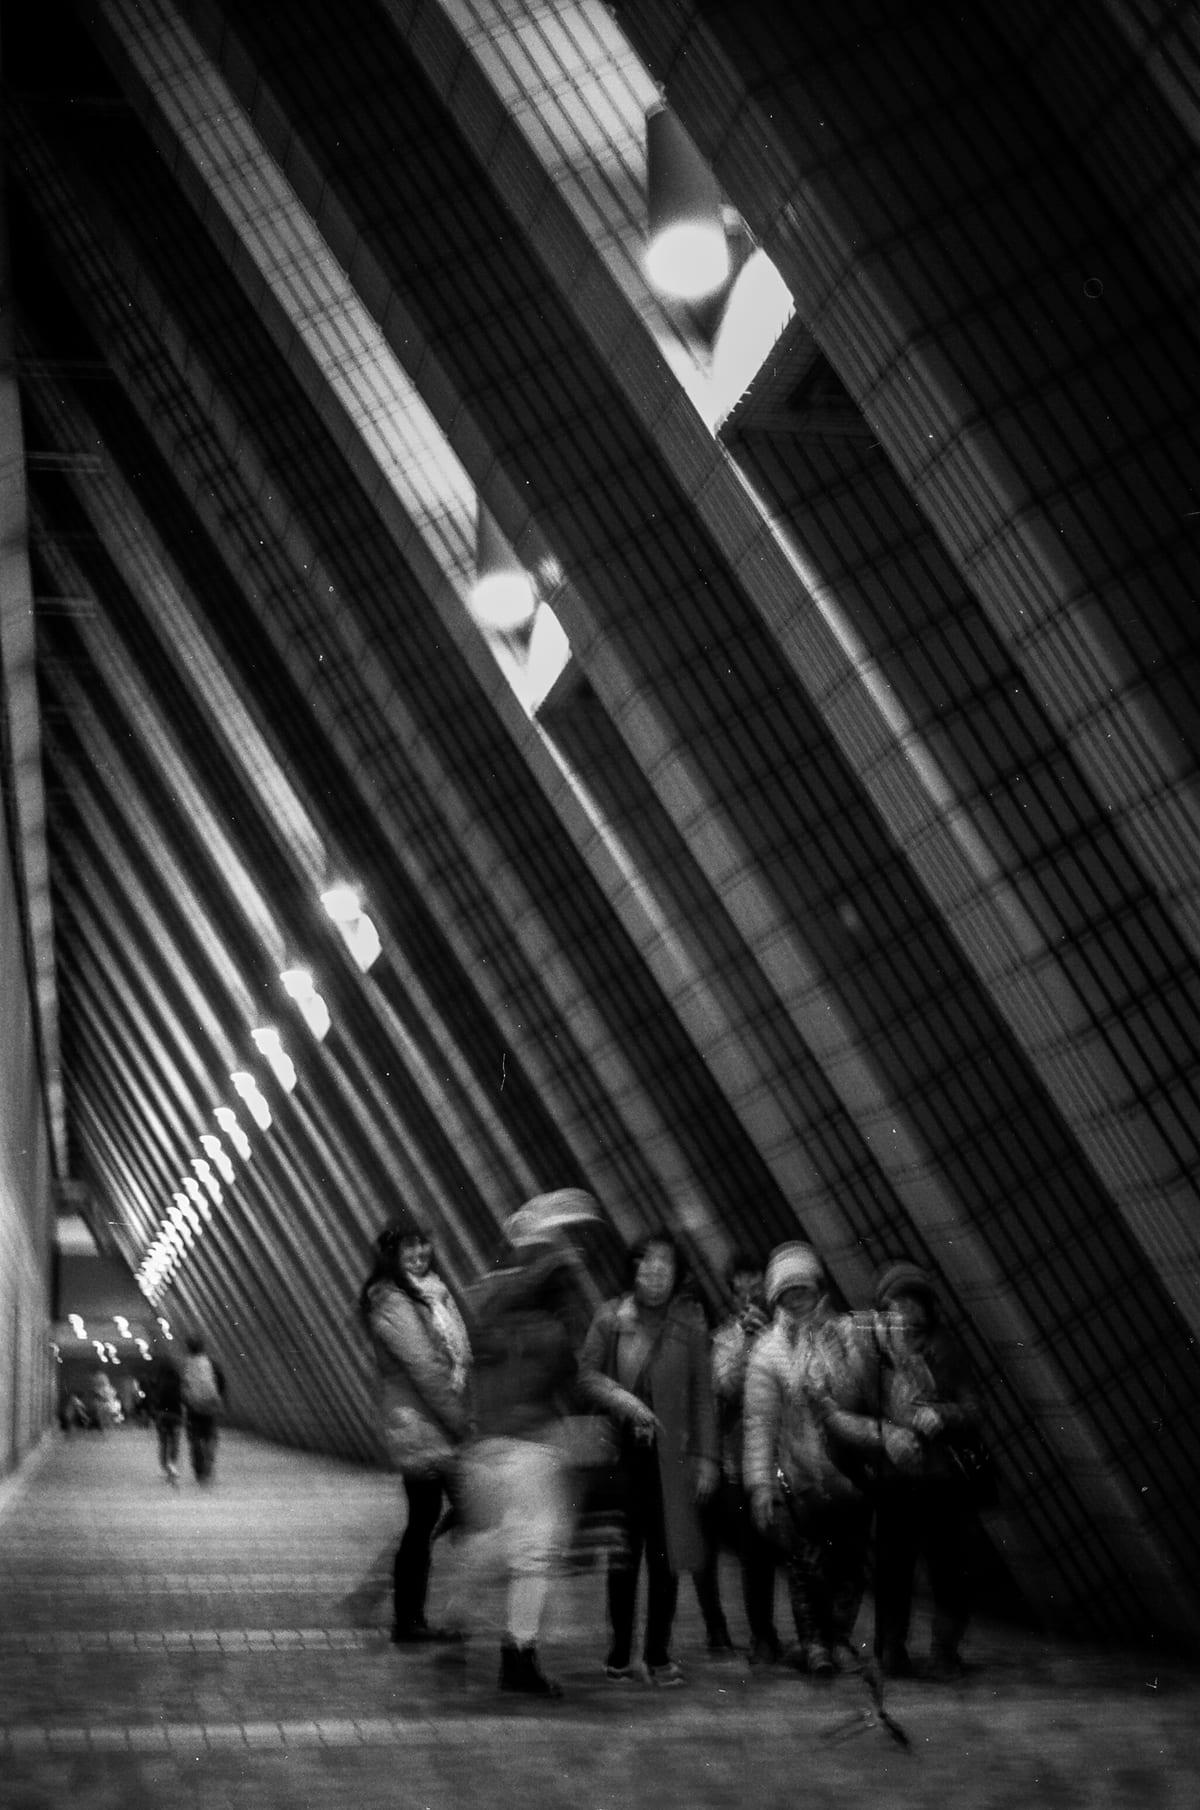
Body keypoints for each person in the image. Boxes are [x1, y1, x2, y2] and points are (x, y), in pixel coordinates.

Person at [455, 1188, 601, 1699]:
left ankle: (469, 1601)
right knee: (535, 1555)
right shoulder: (550, 1327)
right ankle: (516, 1656)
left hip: (487, 1446)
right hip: (531, 1446)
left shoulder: (486, 1303)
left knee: (513, 1546)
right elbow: (569, 1376)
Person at [744, 1242, 893, 1679]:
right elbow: (759, 1425)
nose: (797, 1298)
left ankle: (840, 1639)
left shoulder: (845, 1334)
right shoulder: (768, 1352)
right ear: (776, 1297)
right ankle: (814, 1644)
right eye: (787, 1292)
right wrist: (760, 1487)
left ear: (818, 1287)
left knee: (850, 1562)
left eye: (803, 1288)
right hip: (800, 1476)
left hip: (850, 1474)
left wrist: (837, 1352)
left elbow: (864, 1391)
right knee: (806, 1564)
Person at [579, 1228, 718, 1687]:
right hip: (623, 1458)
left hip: (672, 1461)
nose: (656, 1273)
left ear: (677, 1275)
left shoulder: (690, 1325)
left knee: (665, 1559)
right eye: (648, 1263)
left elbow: (704, 1397)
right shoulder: (610, 1320)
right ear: (633, 1269)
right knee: (623, 1559)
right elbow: (585, 1377)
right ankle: (620, 1651)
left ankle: (658, 1653)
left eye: (666, 1266)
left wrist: (707, 1458)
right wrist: (622, 1399)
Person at [836, 1261, 986, 1681]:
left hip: (942, 1478)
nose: (905, 1314)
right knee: (892, 1568)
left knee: (948, 1567)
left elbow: (974, 1408)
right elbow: (853, 1407)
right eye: (895, 1305)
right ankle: (890, 1649)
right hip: (894, 1477)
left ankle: (944, 1652)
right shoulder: (873, 1353)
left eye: (912, 1303)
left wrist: (943, 1415)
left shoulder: (945, 1348)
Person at [360, 1213, 472, 1644]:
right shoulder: (393, 1301)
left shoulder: (430, 1295)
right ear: (392, 1255)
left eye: (423, 1244)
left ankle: (404, 1613)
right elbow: (425, 1368)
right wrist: (460, 1422)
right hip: (421, 1425)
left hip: (431, 1422)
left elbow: (450, 1361)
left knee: (426, 1518)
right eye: (409, 1247)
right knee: (437, 1516)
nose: (420, 1253)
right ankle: (408, 1618)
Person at [693, 1251, 781, 1664]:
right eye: (739, 1289)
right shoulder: (724, 1338)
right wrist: (748, 1343)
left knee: (770, 1553)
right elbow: (725, 1388)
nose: (749, 1295)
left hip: (783, 1459)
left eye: (755, 1285)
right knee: (751, 1550)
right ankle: (754, 1634)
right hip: (735, 1462)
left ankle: (788, 1636)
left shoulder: (788, 1330)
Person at [180, 1334, 227, 1483]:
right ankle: (209, 1464)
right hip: (210, 1407)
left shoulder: (187, 1365)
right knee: (210, 1437)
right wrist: (220, 1402)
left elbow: (183, 1388)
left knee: (194, 1439)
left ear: (188, 1348)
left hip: (193, 1409)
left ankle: (199, 1469)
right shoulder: (212, 1363)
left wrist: (186, 1403)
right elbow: (221, 1383)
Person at [146, 1347, 184, 1485]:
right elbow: (182, 1397)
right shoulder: (178, 1381)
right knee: (175, 1442)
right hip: (176, 1415)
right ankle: (173, 1465)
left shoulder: (158, 1382)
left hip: (162, 1416)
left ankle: (164, 1467)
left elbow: (153, 1399)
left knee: (163, 1443)